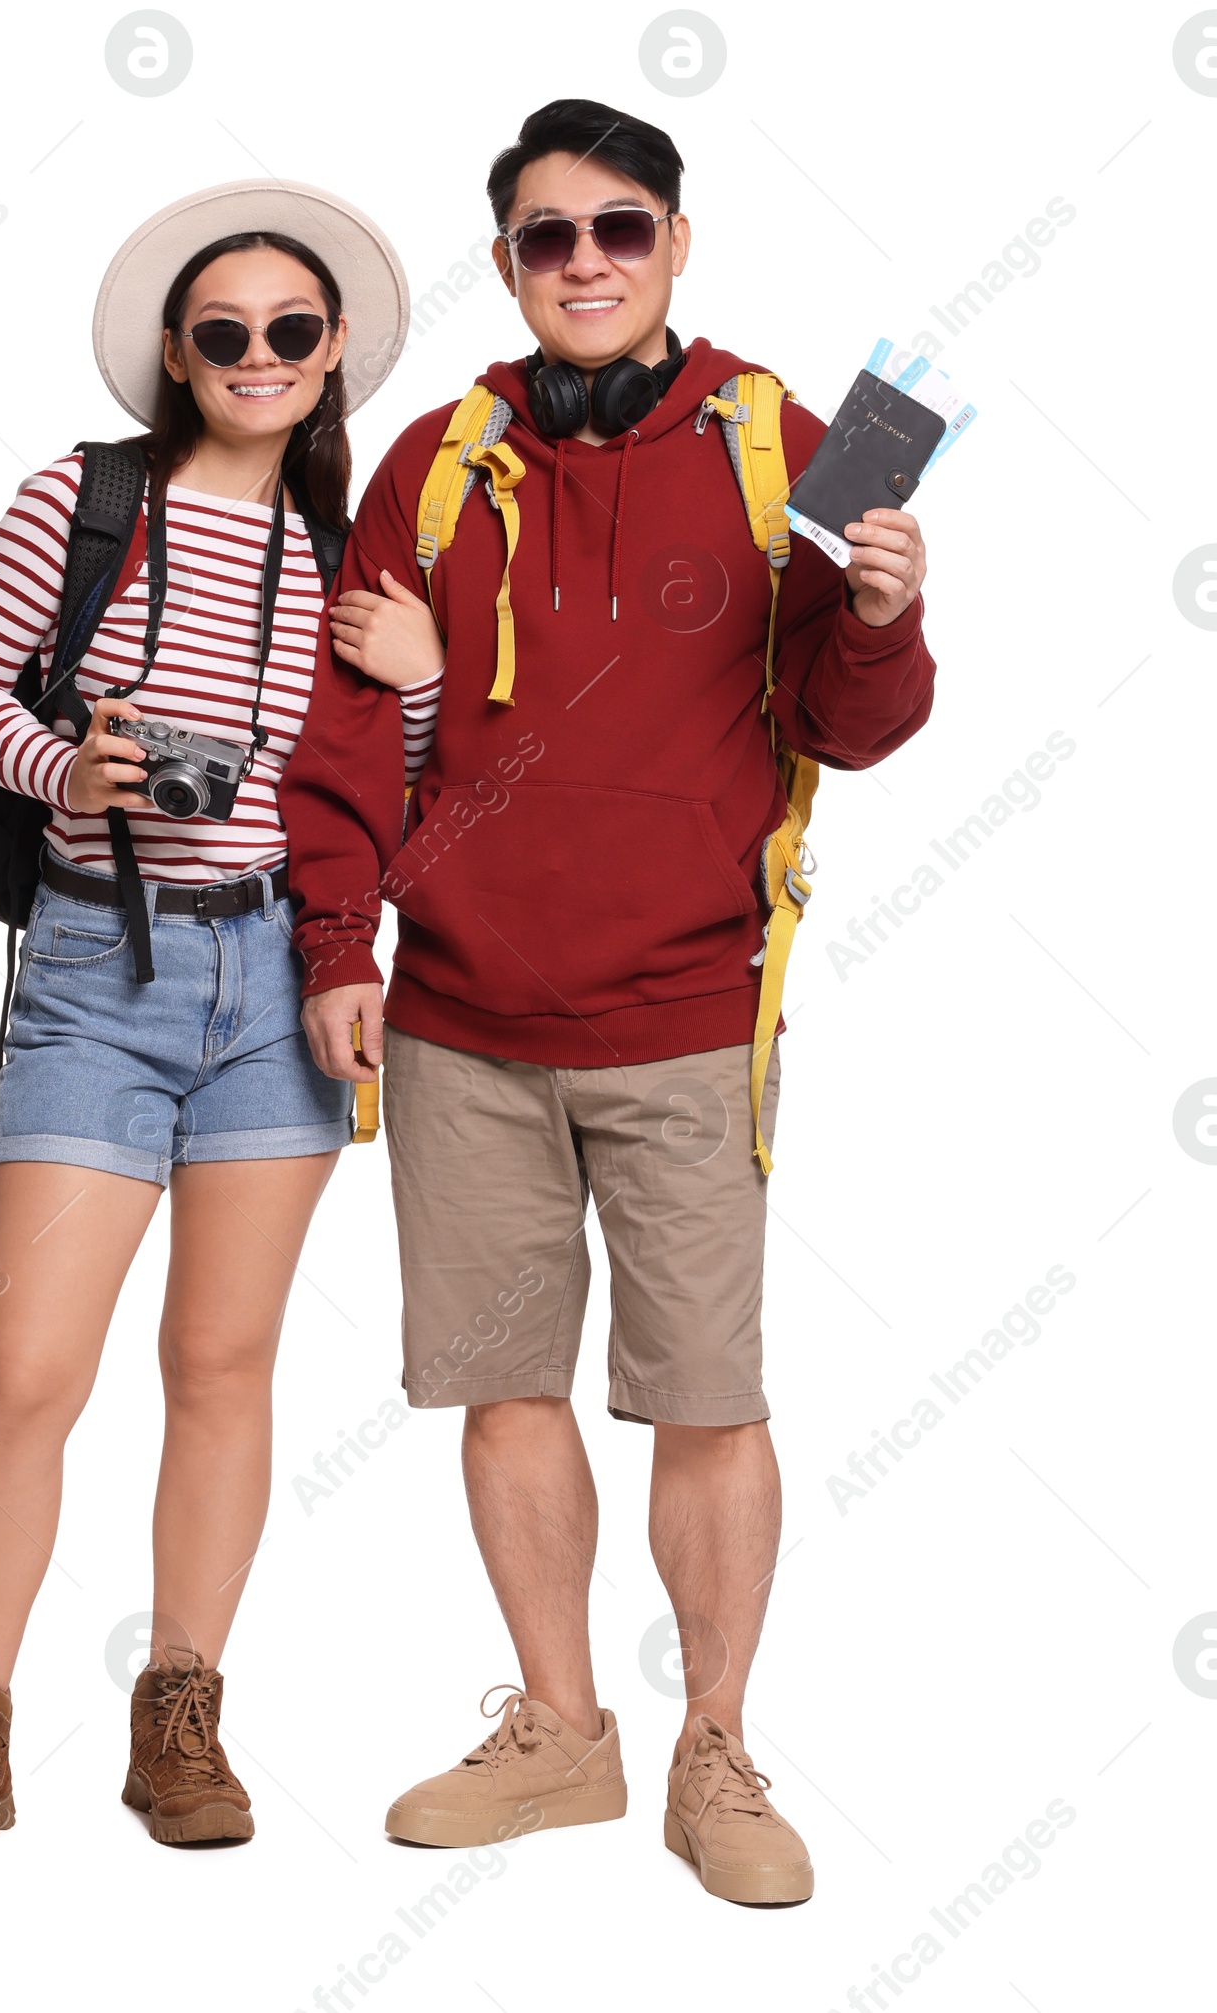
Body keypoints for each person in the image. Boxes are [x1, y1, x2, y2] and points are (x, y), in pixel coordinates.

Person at [280, 101, 935, 1904]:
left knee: (709, 1400)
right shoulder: (437, 455)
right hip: (459, 1020)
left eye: (619, 229)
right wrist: (341, 946)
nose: (584, 261)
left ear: (677, 244)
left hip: (686, 1014)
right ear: (504, 264)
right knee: (504, 1393)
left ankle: (715, 1746)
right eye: (547, 235)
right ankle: (565, 1734)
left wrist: (877, 611)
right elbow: (347, 736)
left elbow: (849, 725)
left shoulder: (781, 443)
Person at [0, 181, 438, 1862]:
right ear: (178, 354)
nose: (262, 357)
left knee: (221, 1362)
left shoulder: (356, 556)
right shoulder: (81, 500)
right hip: (97, 966)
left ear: (331, 362)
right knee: (29, 1368)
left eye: (293, 334)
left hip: (285, 980)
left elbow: (392, 791)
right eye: (228, 333)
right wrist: (65, 766)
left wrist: (427, 672)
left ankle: (182, 1715)